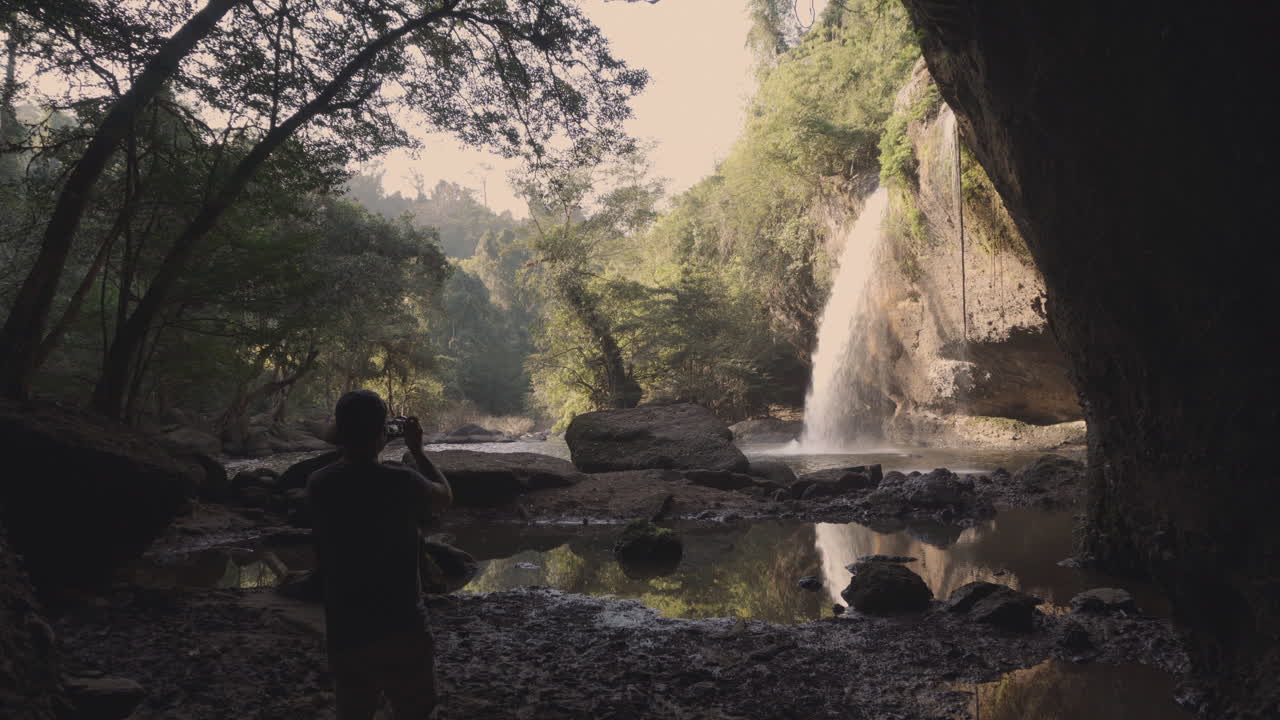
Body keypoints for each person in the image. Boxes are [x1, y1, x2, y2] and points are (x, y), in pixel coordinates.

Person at [307, 389, 453, 719]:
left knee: (354, 708)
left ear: (340, 433)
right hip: (402, 621)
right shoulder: (403, 481)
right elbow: (444, 498)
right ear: (381, 434)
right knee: (415, 707)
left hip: (346, 624)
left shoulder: (319, 483)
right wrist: (419, 451)